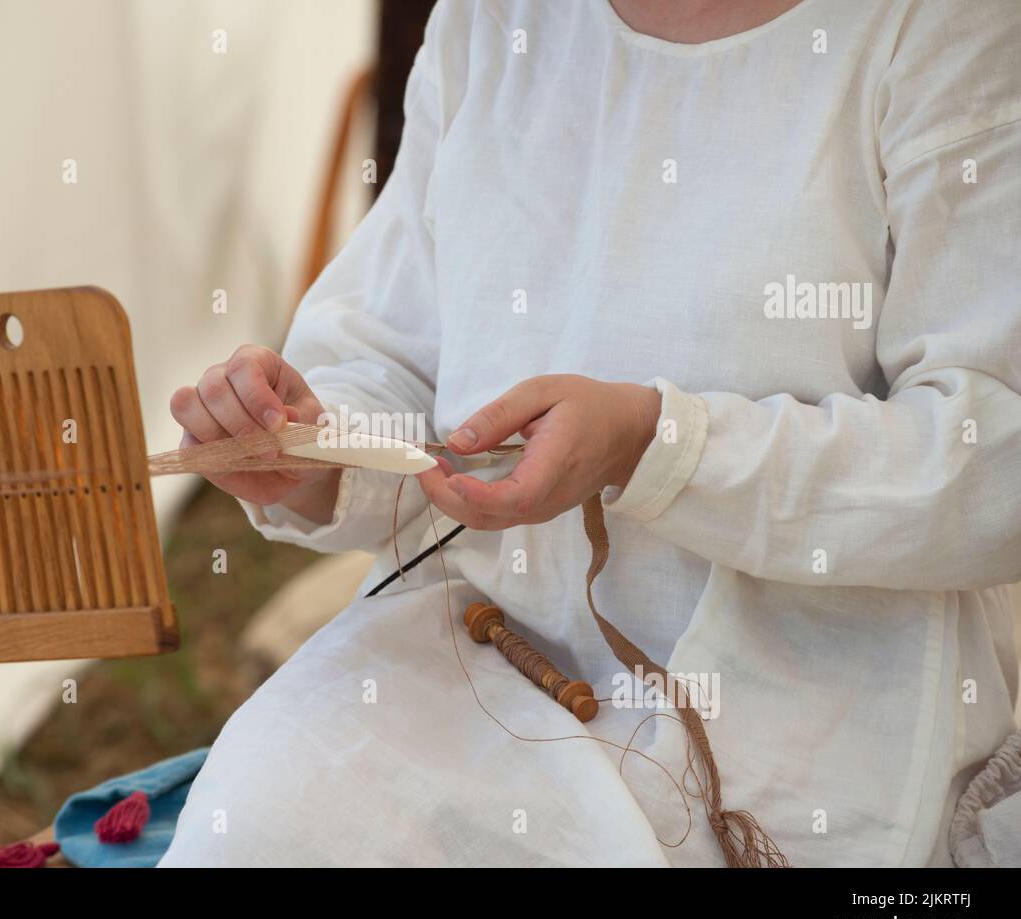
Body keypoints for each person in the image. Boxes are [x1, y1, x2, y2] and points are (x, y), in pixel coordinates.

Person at [159, 0, 1021, 866]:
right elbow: (391, 352)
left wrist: (656, 444)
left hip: (803, 710)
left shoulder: (943, 29)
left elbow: (990, 457)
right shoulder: (493, 20)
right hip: (480, 645)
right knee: (259, 834)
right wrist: (312, 446)